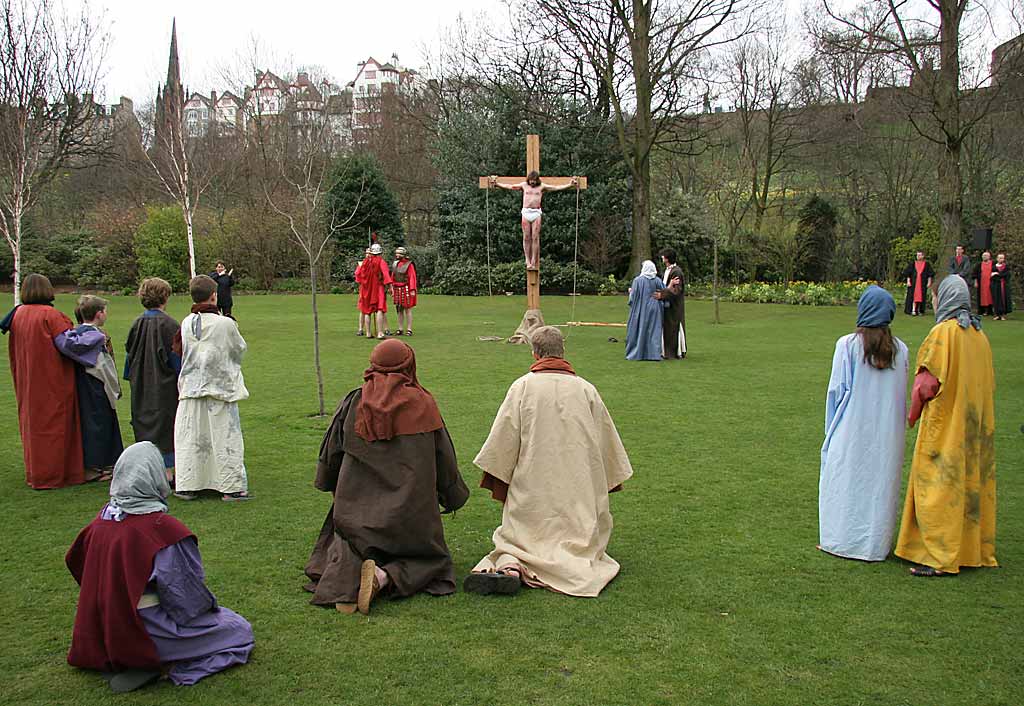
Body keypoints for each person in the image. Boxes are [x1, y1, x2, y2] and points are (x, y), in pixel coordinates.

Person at [66, 442, 255, 693]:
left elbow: (76, 562)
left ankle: (133, 652)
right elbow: (185, 599)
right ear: (153, 475)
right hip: (144, 629)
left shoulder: (100, 522)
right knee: (238, 630)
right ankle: (165, 664)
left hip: (99, 626)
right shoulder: (160, 530)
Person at [464, 326, 633, 597]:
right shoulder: (586, 390)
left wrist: (498, 480)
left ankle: (512, 565)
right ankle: (520, 565)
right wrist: (605, 482)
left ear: (534, 353)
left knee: (519, 536)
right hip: (578, 490)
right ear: (563, 351)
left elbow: (503, 442)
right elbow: (607, 445)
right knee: (577, 539)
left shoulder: (522, 388)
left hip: (531, 489)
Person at [304, 339, 468, 615]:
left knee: (347, 542)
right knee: (432, 562)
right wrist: (452, 496)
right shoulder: (423, 404)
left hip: (357, 515)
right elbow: (444, 459)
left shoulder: (354, 401)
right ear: (409, 365)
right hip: (411, 519)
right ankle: (383, 578)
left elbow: (331, 453)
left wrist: (331, 485)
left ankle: (347, 580)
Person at [895, 276, 997, 577]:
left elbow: (925, 385)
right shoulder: (980, 336)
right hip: (974, 430)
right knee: (968, 486)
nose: (934, 302)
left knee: (939, 487)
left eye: (936, 297)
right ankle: (967, 550)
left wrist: (912, 415)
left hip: (947, 426)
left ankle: (940, 555)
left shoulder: (944, 334)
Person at [818, 285, 908, 561]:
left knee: (846, 478)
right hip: (886, 431)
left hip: (852, 426)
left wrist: (830, 430)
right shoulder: (900, 351)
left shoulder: (847, 346)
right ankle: (873, 544)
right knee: (877, 483)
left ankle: (840, 540)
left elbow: (836, 391)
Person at [1, 273, 85, 488]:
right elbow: (68, 346)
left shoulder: (18, 314)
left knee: (33, 425)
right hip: (52, 379)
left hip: (28, 379)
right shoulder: (50, 315)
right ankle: (54, 474)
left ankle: (36, 472)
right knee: (55, 425)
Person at [172, 276, 250, 502]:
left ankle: (189, 485)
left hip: (193, 385)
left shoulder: (186, 322)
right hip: (218, 386)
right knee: (224, 436)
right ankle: (230, 487)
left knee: (192, 436)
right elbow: (239, 349)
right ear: (214, 295)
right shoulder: (224, 323)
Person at [55, 295, 124, 479]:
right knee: (101, 423)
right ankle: (99, 466)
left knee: (90, 422)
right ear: (99, 314)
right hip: (97, 384)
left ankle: (94, 466)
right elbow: (105, 366)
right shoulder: (96, 337)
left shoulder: (73, 335)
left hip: (82, 384)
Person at [125, 278, 180, 475]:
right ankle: (167, 472)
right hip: (164, 384)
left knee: (146, 422)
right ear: (165, 297)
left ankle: (150, 468)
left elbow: (128, 358)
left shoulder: (136, 323)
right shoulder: (170, 325)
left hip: (140, 383)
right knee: (166, 425)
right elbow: (177, 359)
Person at [489, 172, 579, 270]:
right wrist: (497, 184)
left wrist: (569, 185)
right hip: (526, 212)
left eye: (534, 180)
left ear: (537, 180)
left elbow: (555, 187)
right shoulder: (524, 185)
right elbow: (510, 186)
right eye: (531, 180)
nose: (532, 182)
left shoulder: (541, 186)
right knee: (526, 237)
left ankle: (533, 261)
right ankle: (527, 260)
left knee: (535, 237)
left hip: (536, 213)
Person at [625, 260, 667, 361]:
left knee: (639, 329)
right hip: (655, 308)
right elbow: (665, 292)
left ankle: (637, 353)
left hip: (641, 308)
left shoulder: (638, 281)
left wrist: (630, 292)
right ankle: (653, 354)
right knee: (654, 331)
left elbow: (633, 298)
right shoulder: (657, 280)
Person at [653, 248, 686, 359]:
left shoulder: (676, 272)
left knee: (673, 327)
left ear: (667, 258)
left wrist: (662, 295)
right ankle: (666, 351)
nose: (662, 257)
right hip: (666, 305)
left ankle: (674, 352)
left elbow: (676, 291)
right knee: (667, 328)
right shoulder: (667, 271)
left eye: (663, 256)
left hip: (674, 306)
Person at [355, 243, 392, 339]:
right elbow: (386, 275)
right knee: (380, 309)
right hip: (378, 288)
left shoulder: (365, 262)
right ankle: (380, 332)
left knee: (367, 311)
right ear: (380, 253)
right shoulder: (381, 262)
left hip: (366, 289)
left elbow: (359, 275)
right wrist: (390, 286)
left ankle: (368, 333)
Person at [390, 246, 417, 336]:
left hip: (406, 288)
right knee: (399, 309)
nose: (397, 255)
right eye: (396, 253)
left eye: (399, 254)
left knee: (407, 309)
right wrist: (391, 288)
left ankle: (409, 329)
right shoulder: (395, 264)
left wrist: (412, 289)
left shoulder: (409, 265)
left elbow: (412, 277)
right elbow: (392, 276)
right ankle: (400, 328)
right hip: (397, 288)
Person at [901, 251, 935, 316]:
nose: (918, 257)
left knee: (921, 297)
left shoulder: (926, 264)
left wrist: (929, 282)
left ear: (923, 256)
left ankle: (919, 310)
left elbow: (930, 274)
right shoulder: (913, 264)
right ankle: (913, 310)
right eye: (917, 255)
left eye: (919, 255)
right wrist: (908, 281)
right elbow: (908, 273)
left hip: (922, 283)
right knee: (913, 296)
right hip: (914, 283)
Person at [989, 252, 1012, 321]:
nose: (1001, 259)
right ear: (997, 259)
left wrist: (997, 274)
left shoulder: (1006, 267)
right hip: (995, 286)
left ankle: (1002, 315)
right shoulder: (993, 267)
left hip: (1003, 286)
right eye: (999, 258)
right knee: (996, 299)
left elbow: (1006, 275)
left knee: (1003, 299)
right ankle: (997, 314)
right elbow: (992, 277)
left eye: (1002, 258)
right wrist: (997, 275)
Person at [973, 251, 995, 316]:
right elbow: (975, 274)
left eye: (986, 256)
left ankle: (991, 311)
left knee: (991, 297)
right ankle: (983, 311)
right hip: (982, 284)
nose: (984, 257)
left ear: (989, 256)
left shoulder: (993, 264)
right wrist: (975, 282)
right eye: (983, 256)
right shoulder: (978, 265)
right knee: (983, 297)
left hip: (991, 283)